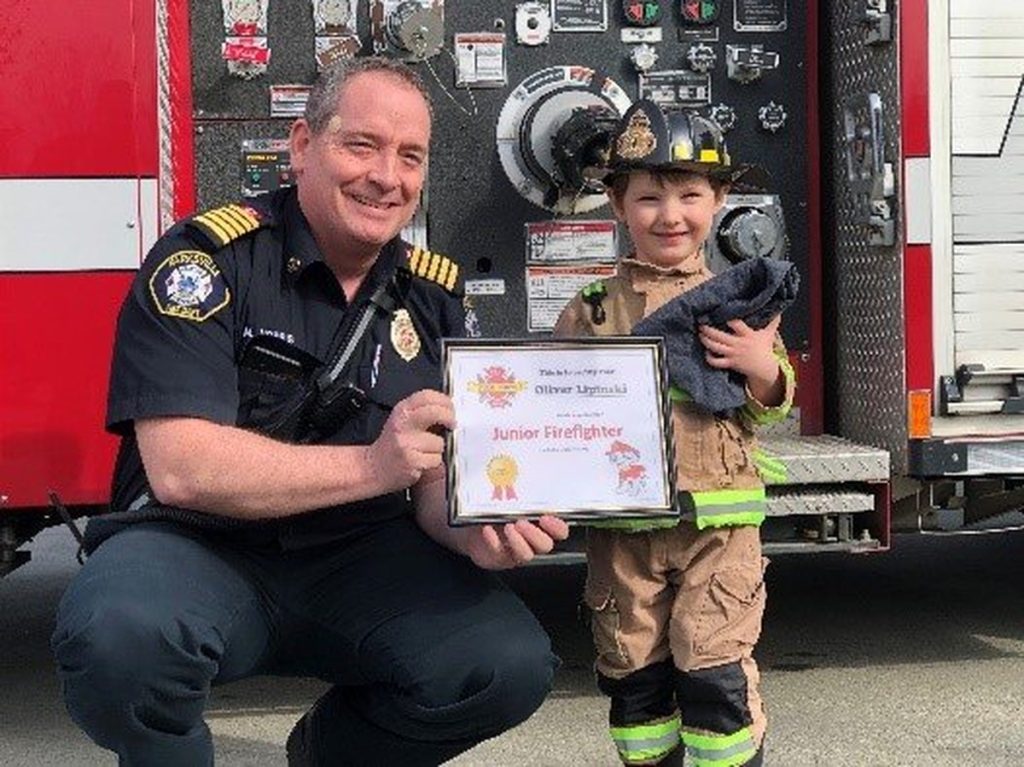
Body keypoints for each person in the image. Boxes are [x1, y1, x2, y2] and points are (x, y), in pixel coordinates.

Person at [51, 56, 568, 766]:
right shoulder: (205, 264)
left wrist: (474, 527)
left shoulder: (433, 299)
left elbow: (433, 478)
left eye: (410, 157)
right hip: (201, 547)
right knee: (120, 636)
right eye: (361, 145)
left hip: (355, 557)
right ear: (302, 145)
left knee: (504, 663)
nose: (386, 176)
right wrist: (373, 464)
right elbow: (182, 468)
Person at [552, 100, 796, 767]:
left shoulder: (738, 300)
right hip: (623, 534)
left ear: (719, 201)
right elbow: (551, 408)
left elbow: (768, 407)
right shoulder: (591, 310)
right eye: (648, 197)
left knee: (713, 671)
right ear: (616, 203)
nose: (670, 215)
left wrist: (759, 367)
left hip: (718, 530)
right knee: (632, 675)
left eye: (690, 195)